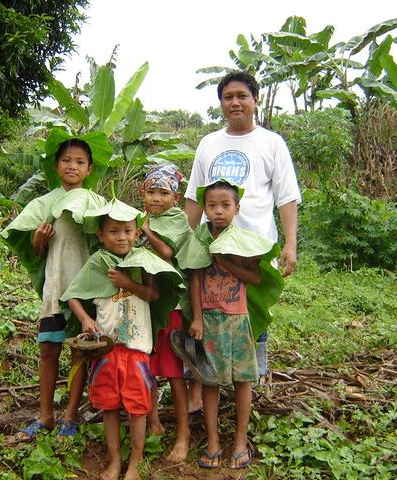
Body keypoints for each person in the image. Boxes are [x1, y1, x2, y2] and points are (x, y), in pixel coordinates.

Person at [184, 70, 301, 408]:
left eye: (241, 96)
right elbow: (193, 198)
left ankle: (250, 378)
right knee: (206, 311)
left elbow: (286, 197)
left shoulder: (271, 142)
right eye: (228, 97)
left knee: (253, 311)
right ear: (221, 103)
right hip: (213, 246)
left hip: (254, 248)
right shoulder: (209, 143)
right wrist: (186, 243)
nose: (235, 102)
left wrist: (290, 245)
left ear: (255, 100)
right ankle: (201, 387)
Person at [61, 199, 184, 480]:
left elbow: (153, 296)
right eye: (114, 232)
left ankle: (135, 463)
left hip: (138, 350)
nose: (122, 237)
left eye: (128, 231)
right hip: (106, 350)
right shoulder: (97, 262)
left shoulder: (144, 261)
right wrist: (84, 319)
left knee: (138, 409)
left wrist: (128, 283)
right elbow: (72, 296)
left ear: (137, 233)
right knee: (109, 407)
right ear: (101, 236)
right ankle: (115, 461)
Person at [1, 138, 106, 440]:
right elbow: (34, 250)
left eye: (79, 162)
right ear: (56, 165)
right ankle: (45, 415)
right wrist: (38, 240)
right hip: (54, 291)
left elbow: (105, 242)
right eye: (66, 161)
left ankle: (70, 416)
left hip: (85, 293)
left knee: (79, 353)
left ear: (89, 169)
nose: (72, 166)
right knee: (48, 351)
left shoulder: (95, 203)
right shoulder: (43, 203)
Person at [181, 179, 282, 470]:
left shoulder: (245, 242)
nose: (218, 211)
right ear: (204, 209)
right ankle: (212, 441)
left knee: (242, 380)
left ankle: (239, 440)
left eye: (225, 205)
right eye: (212, 205)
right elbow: (195, 280)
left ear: (237, 208)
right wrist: (197, 318)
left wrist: (225, 262)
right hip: (209, 322)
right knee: (209, 381)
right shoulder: (199, 240)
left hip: (238, 321)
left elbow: (255, 278)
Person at [139, 164, 192, 461]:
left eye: (163, 192)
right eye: (151, 192)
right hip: (142, 304)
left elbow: (167, 254)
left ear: (176, 196)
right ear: (142, 193)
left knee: (173, 373)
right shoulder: (139, 218)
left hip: (169, 306)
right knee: (145, 367)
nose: (156, 199)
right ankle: (154, 423)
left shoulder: (177, 220)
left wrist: (145, 229)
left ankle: (183, 436)